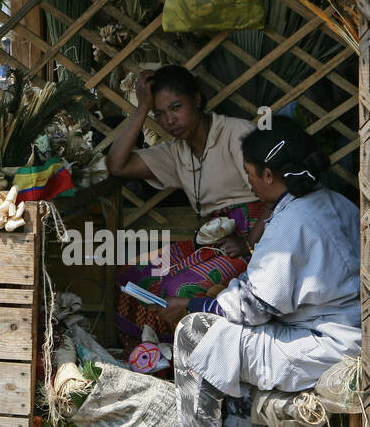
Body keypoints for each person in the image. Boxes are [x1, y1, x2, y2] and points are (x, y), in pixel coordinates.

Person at [148, 118, 362, 427]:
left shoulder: (296, 218)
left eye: (249, 174)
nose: (248, 182)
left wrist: (195, 305)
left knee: (196, 331)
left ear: (267, 174)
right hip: (347, 331)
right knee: (224, 335)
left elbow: (253, 307)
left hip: (324, 344)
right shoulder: (333, 202)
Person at [106, 65, 263, 348]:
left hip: (253, 240)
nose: (169, 120)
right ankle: (151, 357)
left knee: (178, 290)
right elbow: (117, 164)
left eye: (176, 107)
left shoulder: (235, 133)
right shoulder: (177, 152)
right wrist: (141, 108)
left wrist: (250, 243)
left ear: (197, 99)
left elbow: (276, 194)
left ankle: (191, 361)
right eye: (160, 114)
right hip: (211, 242)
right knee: (131, 277)